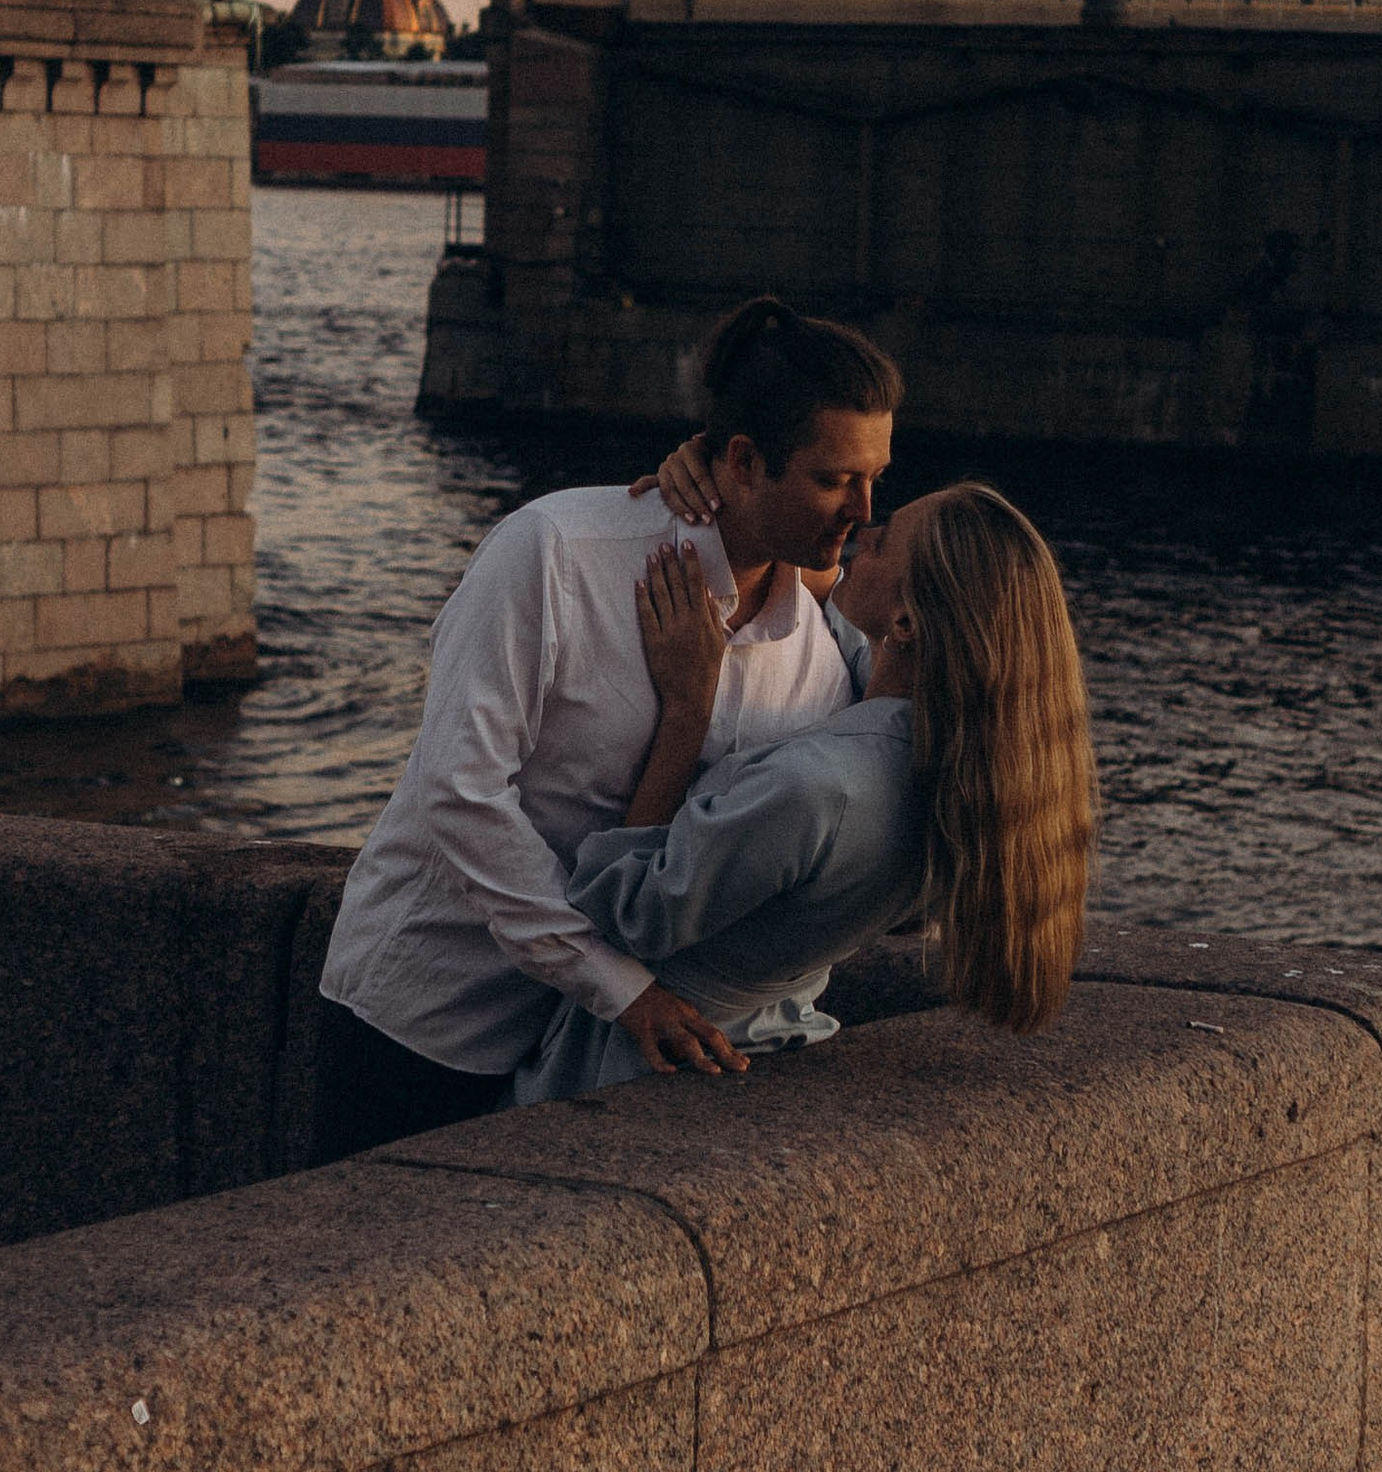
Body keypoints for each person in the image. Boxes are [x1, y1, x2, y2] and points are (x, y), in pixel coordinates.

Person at [309, 294, 900, 1154]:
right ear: (740, 460)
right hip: (432, 1018)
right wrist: (618, 987)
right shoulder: (556, 552)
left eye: (875, 476)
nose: (864, 507)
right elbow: (459, 790)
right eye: (834, 478)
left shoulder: (818, 659)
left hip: (591, 1062)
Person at [510, 477, 1097, 1101]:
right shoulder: (969, 776)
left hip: (643, 1071)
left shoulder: (817, 789)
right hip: (775, 1046)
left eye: (884, 540)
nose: (862, 529)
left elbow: (623, 911)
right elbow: (855, 634)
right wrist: (733, 482)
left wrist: (687, 709)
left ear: (906, 622)